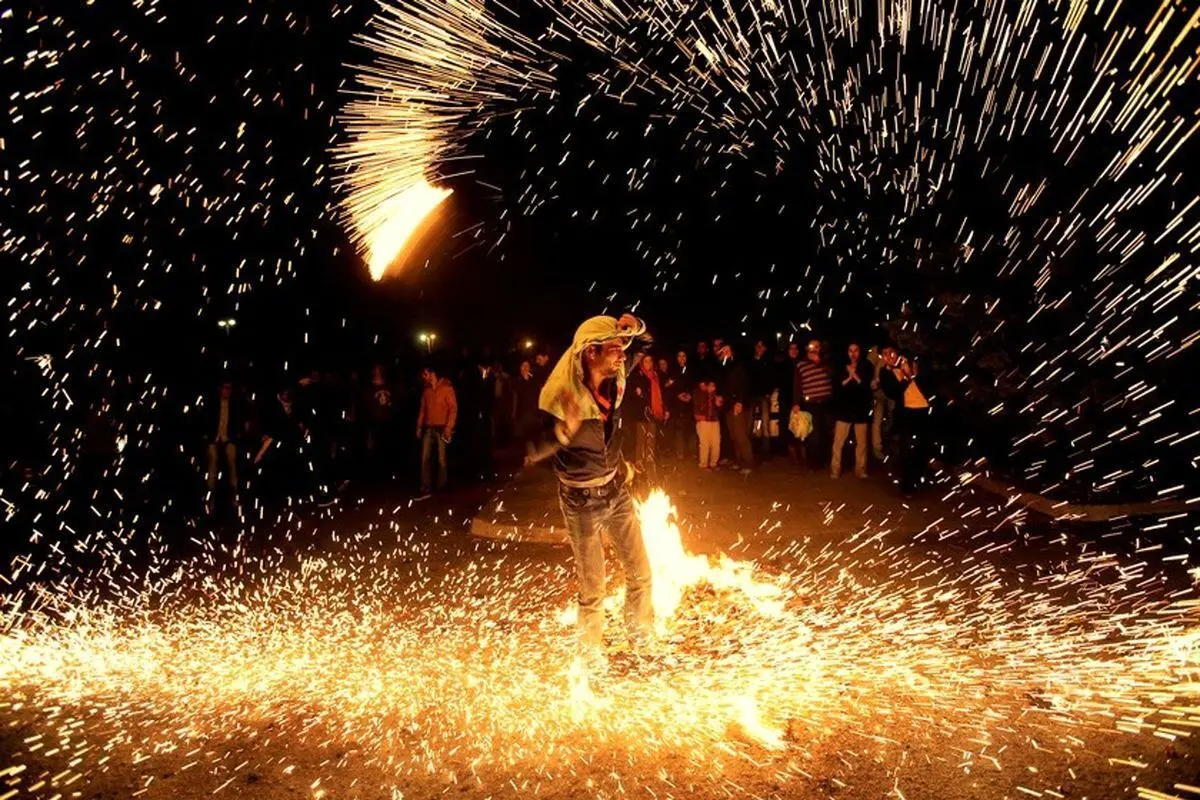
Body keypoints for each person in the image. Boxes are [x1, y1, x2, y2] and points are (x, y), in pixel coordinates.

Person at [525, 314, 655, 674]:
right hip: (581, 501)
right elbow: (532, 450)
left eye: (621, 349)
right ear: (590, 352)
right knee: (593, 589)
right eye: (614, 349)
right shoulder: (558, 394)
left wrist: (635, 327)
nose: (621, 356)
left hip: (616, 490)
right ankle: (590, 659)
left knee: (641, 573)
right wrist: (561, 432)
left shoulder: (616, 372)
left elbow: (645, 343)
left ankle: (642, 639)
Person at [879, 347, 932, 496]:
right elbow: (893, 392)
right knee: (907, 450)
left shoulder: (912, 363)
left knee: (922, 448)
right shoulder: (885, 372)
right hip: (906, 413)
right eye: (885, 354)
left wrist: (913, 373)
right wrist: (906, 377)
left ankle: (919, 480)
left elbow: (927, 384)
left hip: (923, 410)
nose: (889, 356)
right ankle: (907, 486)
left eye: (892, 353)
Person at [203, 380, 247, 515]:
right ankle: (210, 500)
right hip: (214, 439)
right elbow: (205, 421)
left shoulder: (234, 405)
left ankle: (234, 497)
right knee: (212, 465)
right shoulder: (212, 404)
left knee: (232, 463)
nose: (227, 391)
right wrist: (210, 437)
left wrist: (233, 437)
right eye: (225, 388)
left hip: (228, 439)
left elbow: (238, 424)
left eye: (229, 389)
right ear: (220, 389)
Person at [831, 343, 873, 479]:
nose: (853, 353)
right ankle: (835, 468)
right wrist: (849, 376)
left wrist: (855, 375)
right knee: (838, 442)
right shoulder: (840, 366)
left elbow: (866, 386)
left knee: (861, 443)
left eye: (856, 350)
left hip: (861, 409)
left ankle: (860, 469)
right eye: (850, 350)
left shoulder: (866, 366)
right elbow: (837, 386)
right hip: (844, 409)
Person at [416, 366, 457, 495]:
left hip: (441, 428)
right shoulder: (426, 390)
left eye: (425, 374)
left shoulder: (446, 388)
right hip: (429, 427)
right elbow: (423, 409)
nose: (424, 378)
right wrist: (419, 426)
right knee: (425, 458)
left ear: (432, 374)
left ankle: (441, 486)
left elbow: (453, 409)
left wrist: (448, 427)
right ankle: (425, 485)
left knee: (441, 459)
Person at [792, 339, 833, 470]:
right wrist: (796, 403)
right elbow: (797, 385)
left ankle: (827, 459)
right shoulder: (801, 364)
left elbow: (832, 374)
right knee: (814, 434)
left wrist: (818, 361)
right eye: (811, 346)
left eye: (816, 346)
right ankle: (815, 462)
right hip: (811, 404)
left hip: (826, 402)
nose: (814, 349)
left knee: (826, 432)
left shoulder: (826, 362)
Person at [625, 353, 667, 481]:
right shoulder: (637, 375)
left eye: (650, 361)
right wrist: (637, 392)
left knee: (651, 438)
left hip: (653, 413)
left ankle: (649, 462)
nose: (648, 363)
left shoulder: (655, 376)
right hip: (640, 413)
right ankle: (639, 463)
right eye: (646, 361)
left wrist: (662, 408)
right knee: (641, 439)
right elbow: (631, 392)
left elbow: (659, 394)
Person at [749, 339, 776, 459]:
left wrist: (768, 393)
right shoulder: (751, 361)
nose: (759, 348)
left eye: (762, 346)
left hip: (764, 395)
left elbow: (770, 377)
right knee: (751, 422)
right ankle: (752, 447)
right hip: (752, 395)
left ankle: (766, 450)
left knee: (765, 422)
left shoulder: (768, 362)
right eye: (757, 346)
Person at [868, 346, 894, 461]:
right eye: (885, 353)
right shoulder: (878, 359)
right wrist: (874, 383)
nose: (887, 355)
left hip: (891, 394)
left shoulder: (895, 360)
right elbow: (869, 366)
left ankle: (891, 442)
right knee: (877, 421)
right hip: (878, 394)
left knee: (893, 416)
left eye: (889, 352)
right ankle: (877, 448)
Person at [668, 349, 695, 459]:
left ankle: (691, 452)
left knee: (689, 429)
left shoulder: (691, 370)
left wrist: (690, 395)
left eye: (684, 356)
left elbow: (693, 385)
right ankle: (680, 453)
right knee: (679, 430)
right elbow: (670, 386)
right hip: (677, 405)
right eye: (679, 356)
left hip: (689, 405)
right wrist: (678, 394)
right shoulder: (672, 370)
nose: (682, 358)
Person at [511, 359, 542, 457]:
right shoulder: (516, 381)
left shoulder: (534, 380)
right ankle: (525, 457)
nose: (525, 368)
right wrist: (513, 413)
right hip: (522, 413)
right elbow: (515, 396)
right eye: (523, 366)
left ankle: (532, 457)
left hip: (533, 413)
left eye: (527, 366)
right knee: (523, 438)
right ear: (520, 368)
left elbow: (538, 394)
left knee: (533, 435)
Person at [693, 379, 721, 469]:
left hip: (714, 421)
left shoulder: (716, 396)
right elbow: (697, 408)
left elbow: (720, 409)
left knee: (716, 443)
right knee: (704, 444)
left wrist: (718, 403)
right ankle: (703, 465)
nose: (712, 388)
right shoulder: (700, 394)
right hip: (703, 421)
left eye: (714, 386)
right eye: (710, 385)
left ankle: (713, 463)